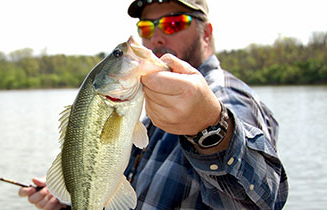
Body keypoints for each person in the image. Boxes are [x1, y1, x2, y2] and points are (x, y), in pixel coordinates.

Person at [19, 0, 289, 209]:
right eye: (147, 27)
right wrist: (74, 197)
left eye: (173, 24)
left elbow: (262, 201)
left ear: (206, 33)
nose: (156, 37)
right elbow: (109, 176)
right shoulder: (149, 106)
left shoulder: (227, 97)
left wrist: (209, 126)